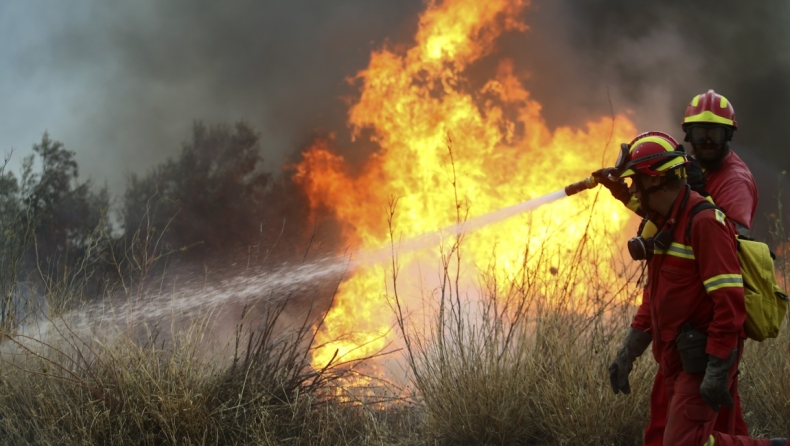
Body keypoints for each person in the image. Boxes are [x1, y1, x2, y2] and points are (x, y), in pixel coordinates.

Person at [594, 90, 758, 445]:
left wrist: (717, 367)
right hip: (675, 351)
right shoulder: (666, 221)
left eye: (636, 180)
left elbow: (729, 291)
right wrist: (628, 352)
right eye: (700, 132)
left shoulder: (710, 212)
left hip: (704, 349)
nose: (708, 140)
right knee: (667, 435)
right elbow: (655, 295)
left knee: (686, 440)